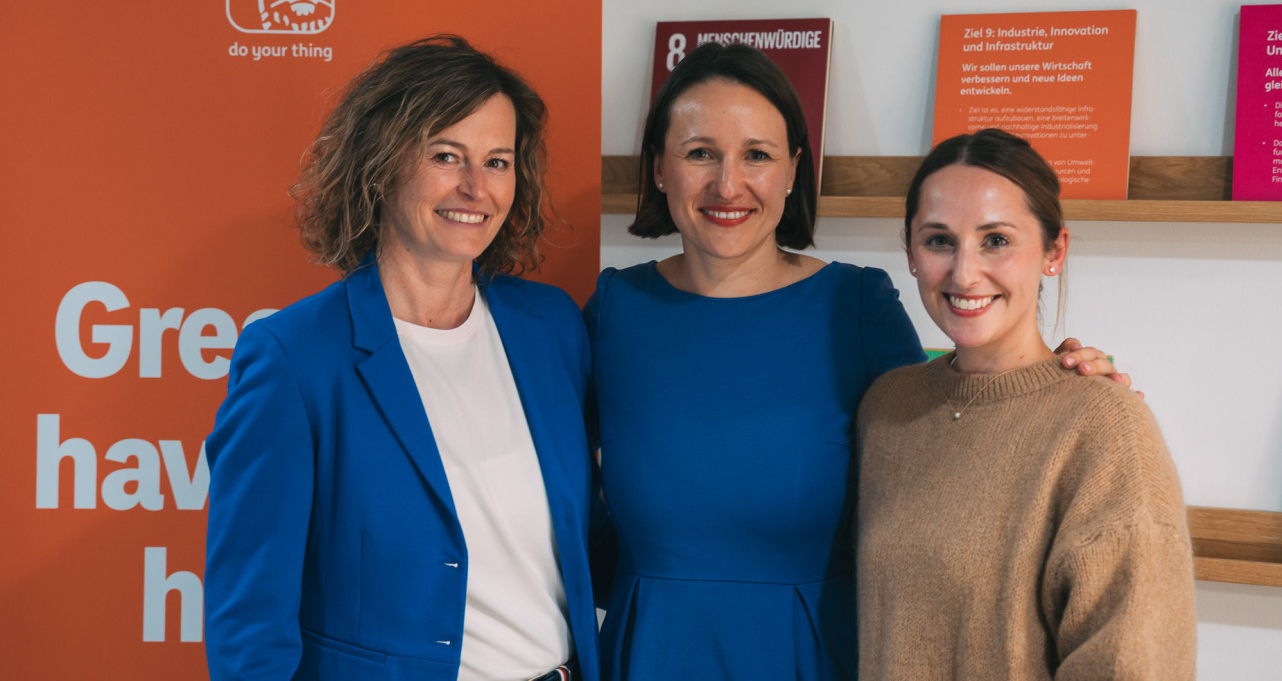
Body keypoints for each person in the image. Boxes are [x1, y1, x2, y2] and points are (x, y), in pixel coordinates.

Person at [583, 44, 1125, 681]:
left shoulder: (855, 305)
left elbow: (953, 435)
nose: (727, 184)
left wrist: (1053, 384)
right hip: (650, 651)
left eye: (757, 154)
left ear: (792, 170)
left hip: (812, 655)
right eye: (700, 152)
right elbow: (552, 493)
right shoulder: (614, 310)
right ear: (658, 170)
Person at [204, 35, 599, 681]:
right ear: (382, 164)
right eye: (447, 156)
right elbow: (249, 625)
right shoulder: (294, 361)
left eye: (498, 162)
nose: (476, 188)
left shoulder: (551, 328)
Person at [855, 129, 1195, 680]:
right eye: (939, 239)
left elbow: (1135, 665)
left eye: (996, 240)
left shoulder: (1107, 426)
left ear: (1053, 251)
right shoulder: (887, 408)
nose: (964, 273)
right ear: (910, 252)